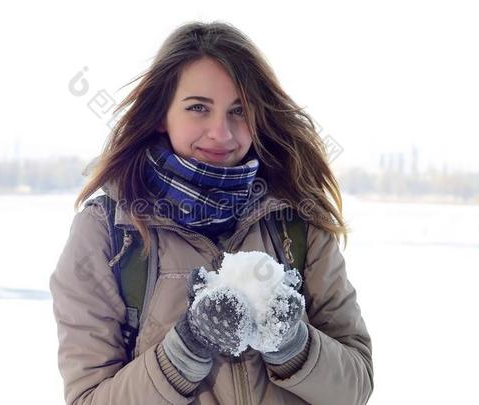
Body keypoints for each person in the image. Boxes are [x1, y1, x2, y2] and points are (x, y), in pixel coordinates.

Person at [49, 21, 373, 405]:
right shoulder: (108, 231)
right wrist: (185, 349)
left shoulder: (296, 219)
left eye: (240, 111)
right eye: (198, 108)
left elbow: (356, 387)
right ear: (160, 114)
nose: (221, 132)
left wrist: (292, 344)